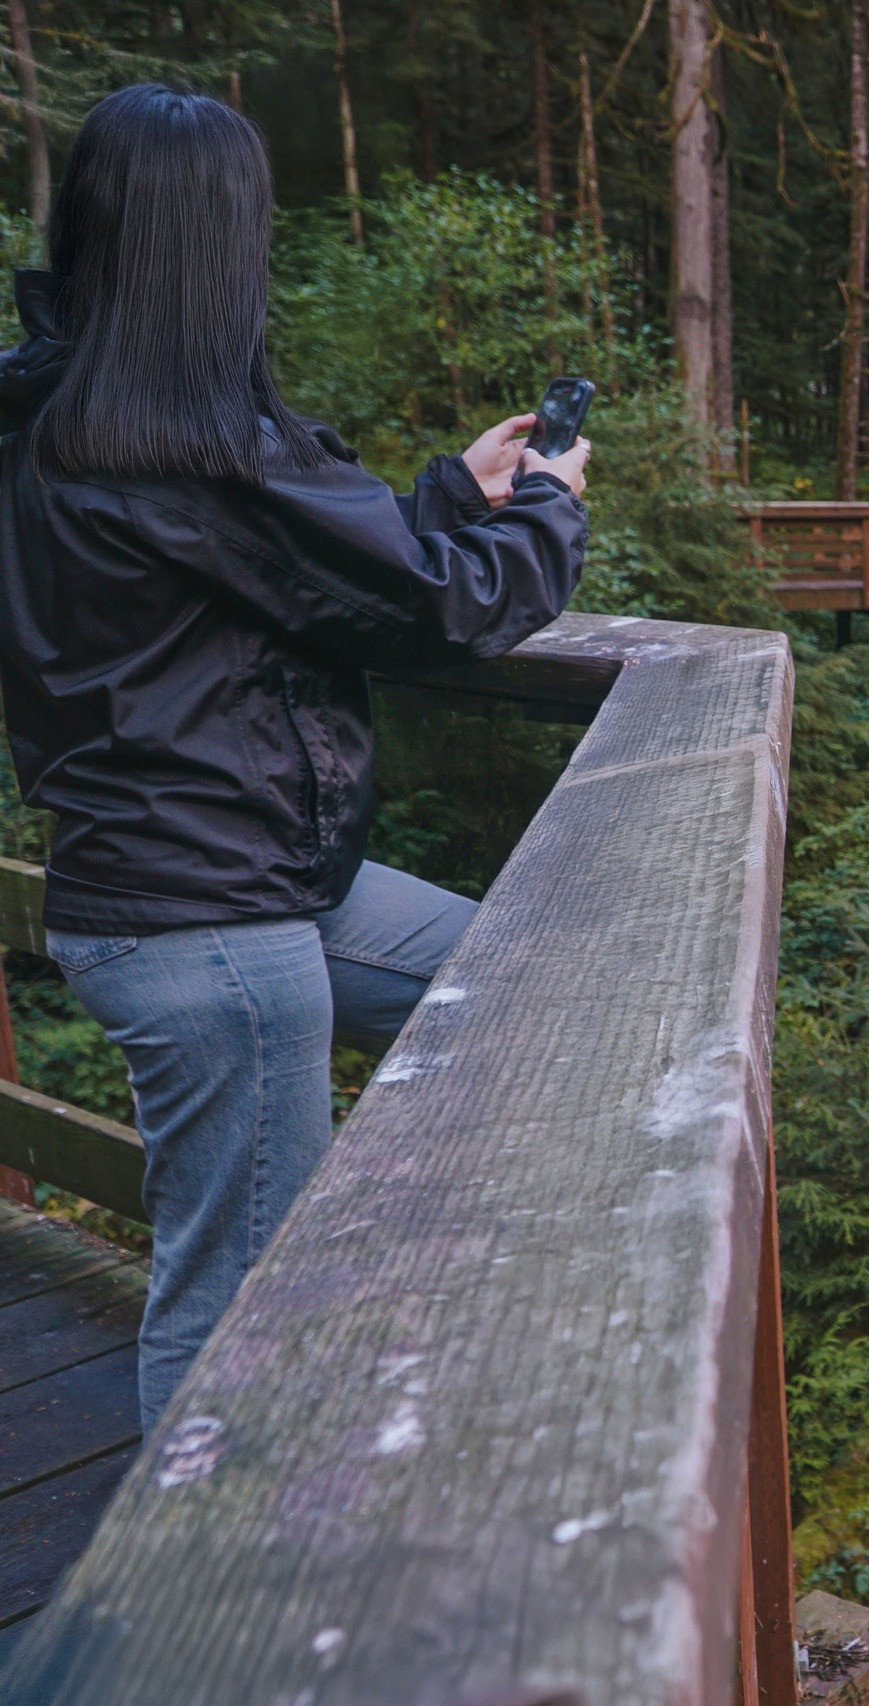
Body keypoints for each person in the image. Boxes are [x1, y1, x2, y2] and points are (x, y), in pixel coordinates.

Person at [0, 85, 591, 1432]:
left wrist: (449, 494)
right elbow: (445, 605)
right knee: (235, 1314)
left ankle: (416, 1316)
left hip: (221, 883)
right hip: (209, 925)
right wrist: (550, 510)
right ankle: (212, 1564)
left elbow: (299, 573)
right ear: (220, 250)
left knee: (523, 985)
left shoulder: (55, 421)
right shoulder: (192, 448)